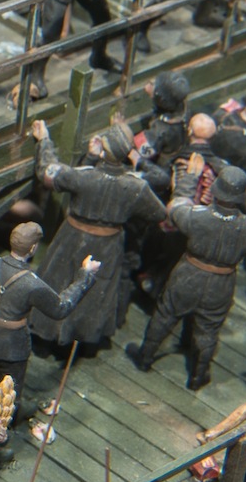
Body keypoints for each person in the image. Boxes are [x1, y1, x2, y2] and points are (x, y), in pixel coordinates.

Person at [27, 121, 167, 354]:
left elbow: (47, 171)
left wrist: (44, 141)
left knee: (58, 281)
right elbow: (159, 213)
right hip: (108, 244)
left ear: (103, 149)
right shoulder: (136, 186)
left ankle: (45, 336)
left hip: (71, 239)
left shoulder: (83, 176)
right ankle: (83, 340)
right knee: (96, 292)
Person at [129, 167, 246, 388]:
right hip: (221, 283)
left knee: (165, 315)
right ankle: (198, 375)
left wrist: (188, 180)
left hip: (188, 275)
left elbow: (175, 209)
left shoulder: (196, 215)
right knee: (209, 330)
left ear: (216, 191)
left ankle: (145, 357)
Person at [0, 224, 95, 429]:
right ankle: (0, 435)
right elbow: (61, 308)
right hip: (11, 347)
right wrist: (85, 276)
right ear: (33, 248)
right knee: (11, 394)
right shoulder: (32, 283)